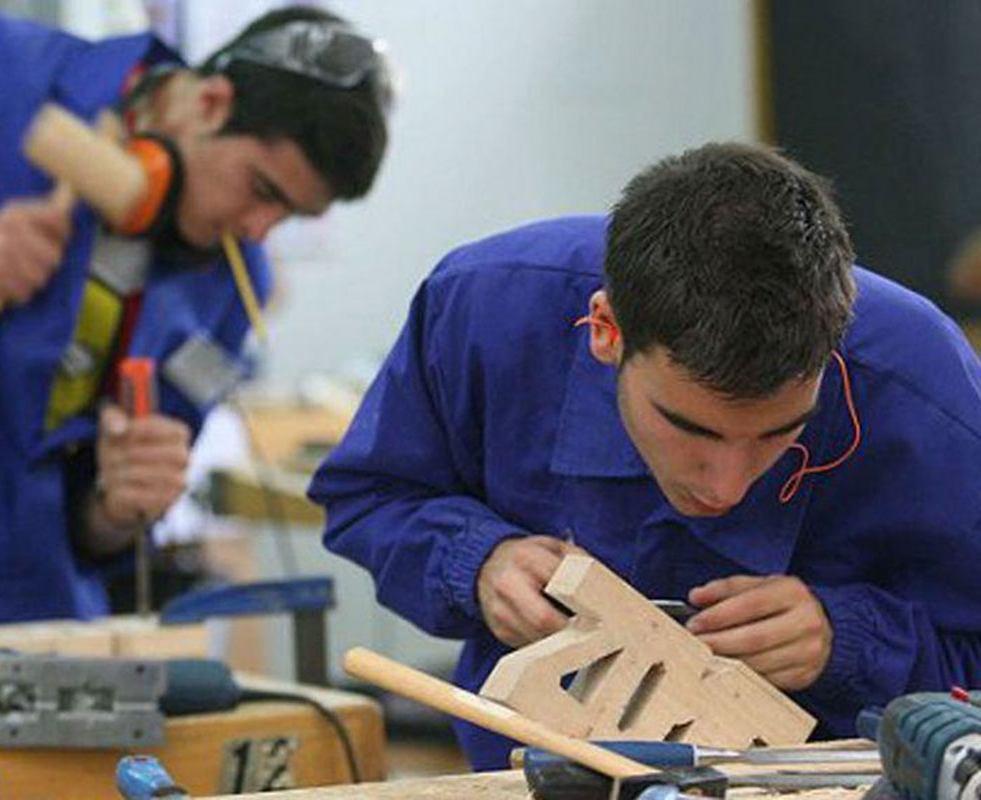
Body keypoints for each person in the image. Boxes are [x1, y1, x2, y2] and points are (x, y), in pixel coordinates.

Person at [309, 142, 981, 769]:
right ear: (605, 330)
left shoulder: (926, 392)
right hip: (527, 771)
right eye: (692, 429)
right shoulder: (487, 310)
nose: (727, 487)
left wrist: (854, 642)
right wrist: (475, 560)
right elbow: (369, 497)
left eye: (780, 434)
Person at [0, 4, 389, 666]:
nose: (258, 229)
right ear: (210, 102)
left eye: (290, 214)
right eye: (261, 189)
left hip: (34, 636)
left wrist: (117, 505)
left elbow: (93, 524)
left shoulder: (230, 279)